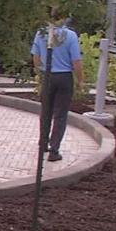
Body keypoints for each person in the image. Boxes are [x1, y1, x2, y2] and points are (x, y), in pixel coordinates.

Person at [31, 8, 83, 162]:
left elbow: (36, 57)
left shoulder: (41, 34)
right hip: (64, 77)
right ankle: (54, 150)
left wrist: (41, 71)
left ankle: (43, 144)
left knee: (45, 112)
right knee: (60, 115)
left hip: (48, 75)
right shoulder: (71, 36)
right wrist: (80, 80)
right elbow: (76, 61)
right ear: (65, 18)